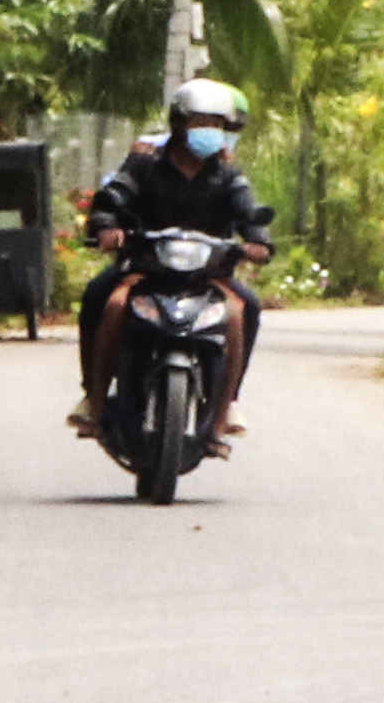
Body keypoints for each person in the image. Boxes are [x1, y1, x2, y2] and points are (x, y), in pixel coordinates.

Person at [72, 79, 277, 445]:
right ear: (178, 123)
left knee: (243, 310)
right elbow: (113, 198)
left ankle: (224, 409)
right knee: (106, 300)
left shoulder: (228, 176)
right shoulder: (144, 165)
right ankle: (96, 400)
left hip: (208, 276)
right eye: (199, 121)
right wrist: (107, 227)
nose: (208, 131)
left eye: (216, 124)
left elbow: (248, 214)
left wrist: (258, 242)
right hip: (145, 271)